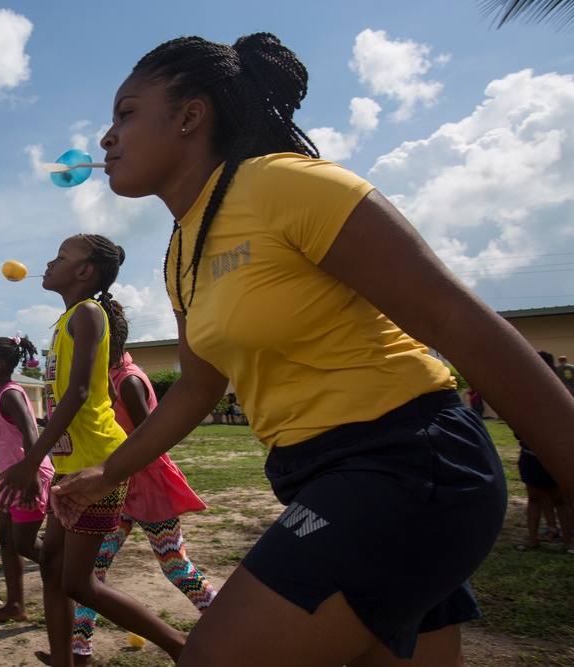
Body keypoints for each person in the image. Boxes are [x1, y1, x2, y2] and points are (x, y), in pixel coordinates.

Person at [50, 32, 574, 667]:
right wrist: (109, 472)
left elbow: (457, 319)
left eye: (126, 113)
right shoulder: (182, 252)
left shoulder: (286, 185)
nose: (106, 137)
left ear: (191, 115)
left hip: (407, 465)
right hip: (320, 480)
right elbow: (196, 388)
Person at [0, 234, 188, 666]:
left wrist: (30, 460)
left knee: (79, 584)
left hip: (97, 466)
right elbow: (65, 394)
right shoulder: (66, 322)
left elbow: (80, 391)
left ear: (84, 271)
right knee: (52, 567)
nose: (49, 262)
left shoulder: (86, 312)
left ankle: (181, 646)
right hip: (73, 466)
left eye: (61, 256)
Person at [37, 337, 217, 667]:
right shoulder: (107, 377)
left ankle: (226, 625)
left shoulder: (130, 380)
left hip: (147, 487)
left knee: (175, 566)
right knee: (93, 571)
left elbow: (151, 436)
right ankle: (79, 651)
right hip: (115, 487)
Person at [0, 334, 54, 621]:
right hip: (11, 477)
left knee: (25, 544)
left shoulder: (11, 393)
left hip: (28, 478)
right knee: (6, 540)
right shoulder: (0, 394)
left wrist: (30, 477)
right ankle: (16, 605)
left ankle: (75, 574)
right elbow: (10, 435)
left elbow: (31, 432)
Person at [515, 351, 574, 554]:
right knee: (535, 497)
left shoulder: (564, 392)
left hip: (556, 454)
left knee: (559, 498)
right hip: (531, 454)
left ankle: (568, 541)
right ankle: (533, 537)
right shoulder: (523, 394)